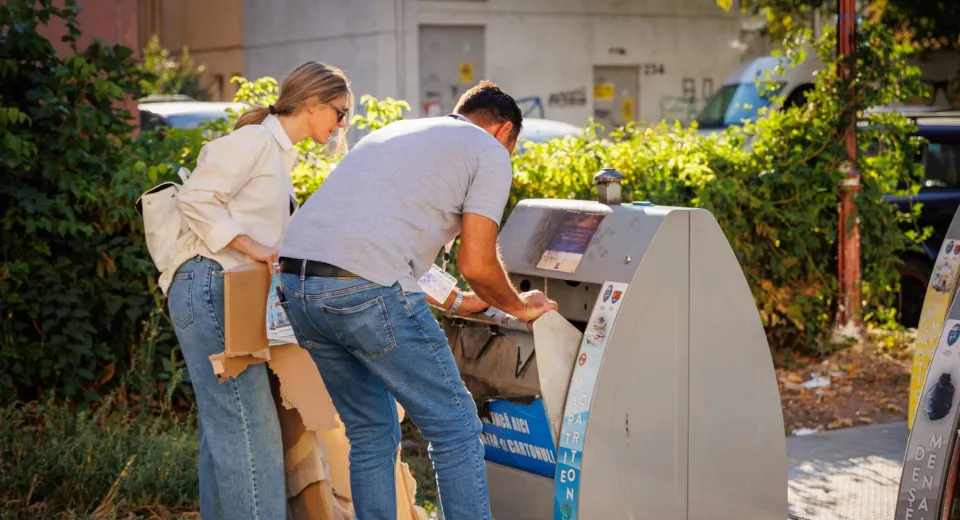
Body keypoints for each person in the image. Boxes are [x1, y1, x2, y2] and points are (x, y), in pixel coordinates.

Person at [276, 80, 558, 519]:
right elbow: (479, 264)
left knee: (370, 431)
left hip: (298, 286)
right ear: (504, 131)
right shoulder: (488, 150)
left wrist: (457, 302)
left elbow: (376, 235)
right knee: (456, 427)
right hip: (365, 288)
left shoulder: (397, 134)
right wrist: (521, 306)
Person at [164, 61, 352, 520]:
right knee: (250, 429)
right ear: (311, 103)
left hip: (226, 290)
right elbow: (194, 197)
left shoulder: (277, 154)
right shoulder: (253, 142)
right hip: (213, 285)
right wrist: (253, 245)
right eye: (339, 111)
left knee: (225, 430)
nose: (343, 123)